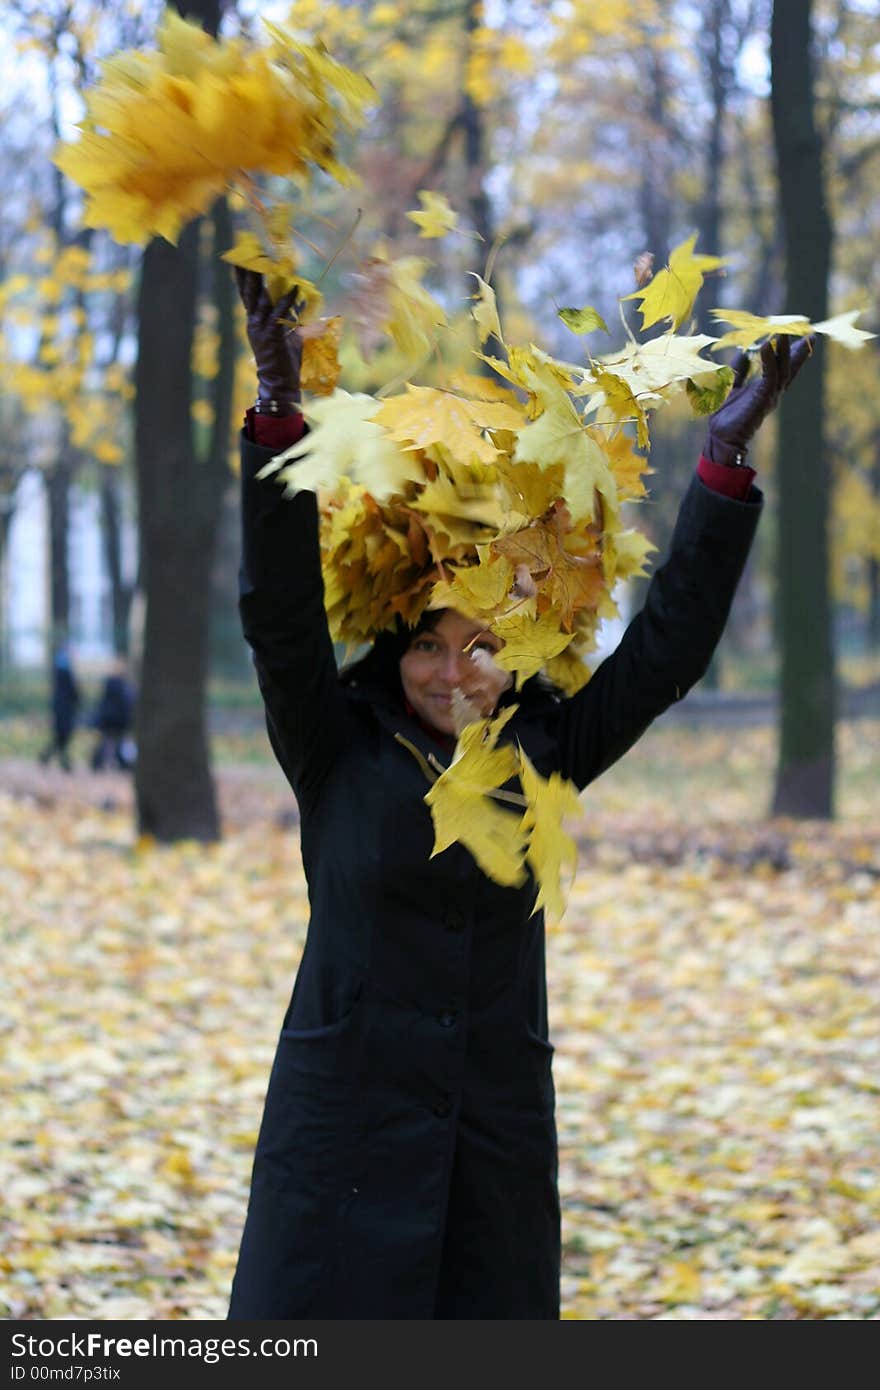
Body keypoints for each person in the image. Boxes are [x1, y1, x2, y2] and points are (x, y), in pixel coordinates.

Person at [227, 267, 811, 1320]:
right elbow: (277, 611)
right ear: (392, 647)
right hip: (339, 1152)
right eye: (431, 647)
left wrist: (722, 462)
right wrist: (276, 413)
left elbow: (667, 646)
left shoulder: (550, 744)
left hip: (487, 1163)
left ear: (523, 647)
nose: (455, 672)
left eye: (484, 644)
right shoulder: (333, 743)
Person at [39, 642, 81, 772]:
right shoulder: (64, 668)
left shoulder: (62, 666)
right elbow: (71, 690)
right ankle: (61, 761)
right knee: (63, 735)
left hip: (62, 707)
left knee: (61, 736)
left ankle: (54, 759)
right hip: (64, 708)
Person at [89, 656, 136, 771]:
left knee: (107, 742)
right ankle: (116, 763)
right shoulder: (123, 685)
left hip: (108, 718)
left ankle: (101, 763)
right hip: (117, 719)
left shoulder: (109, 683)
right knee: (115, 741)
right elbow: (125, 702)